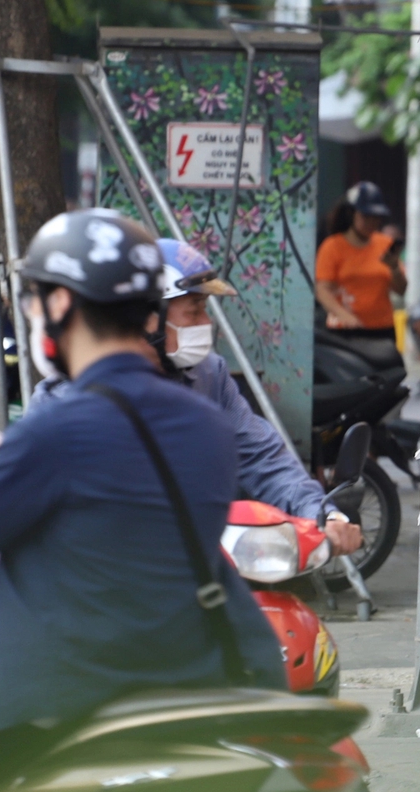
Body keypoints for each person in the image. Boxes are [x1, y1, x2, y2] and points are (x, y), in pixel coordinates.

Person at [0, 210, 285, 792]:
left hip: (48, 698)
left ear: (59, 303)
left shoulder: (56, 428)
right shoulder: (206, 427)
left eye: (33, 300)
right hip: (183, 680)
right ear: (148, 311)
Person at [22, 238, 363, 556]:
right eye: (194, 311)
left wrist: (324, 515)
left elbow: (263, 459)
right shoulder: (60, 403)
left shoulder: (208, 375)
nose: (206, 323)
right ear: (148, 319)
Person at [314, 181, 407, 346]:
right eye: (366, 216)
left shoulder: (384, 244)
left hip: (382, 330)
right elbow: (322, 290)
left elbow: (401, 290)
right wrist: (344, 316)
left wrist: (393, 267)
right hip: (345, 331)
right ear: (351, 214)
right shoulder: (332, 247)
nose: (372, 222)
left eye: (376, 218)